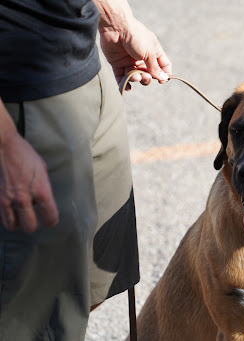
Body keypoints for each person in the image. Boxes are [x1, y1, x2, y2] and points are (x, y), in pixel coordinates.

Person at [0, 0, 172, 339]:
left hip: (83, 67)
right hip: (19, 100)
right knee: (30, 317)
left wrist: (114, 19)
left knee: (92, 281)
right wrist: (5, 144)